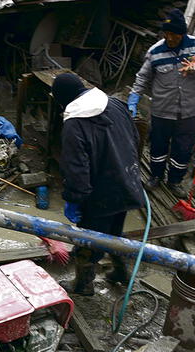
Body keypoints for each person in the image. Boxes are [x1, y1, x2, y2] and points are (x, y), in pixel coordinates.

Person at [52, 73, 145, 295]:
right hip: (127, 183)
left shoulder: (75, 125)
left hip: (101, 195)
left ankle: (83, 285)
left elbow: (77, 170)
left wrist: (75, 199)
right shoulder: (115, 104)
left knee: (89, 240)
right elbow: (136, 139)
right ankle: (121, 272)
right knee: (114, 233)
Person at [128, 9, 195, 198]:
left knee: (183, 149)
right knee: (158, 146)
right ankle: (155, 176)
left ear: (182, 33)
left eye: (174, 34)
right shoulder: (155, 52)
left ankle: (174, 181)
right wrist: (134, 97)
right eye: (166, 34)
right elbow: (142, 77)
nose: (169, 38)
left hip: (189, 111)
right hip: (162, 110)